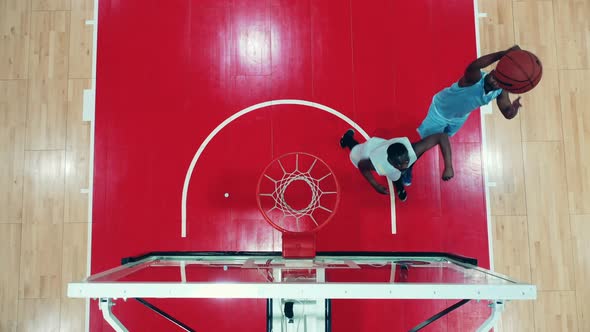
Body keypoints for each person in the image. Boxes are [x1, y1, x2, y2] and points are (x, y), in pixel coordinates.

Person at [417, 45, 523, 140]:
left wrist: (514, 109)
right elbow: (474, 65)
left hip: (459, 117)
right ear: (492, 72)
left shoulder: (500, 92)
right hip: (440, 111)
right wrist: (503, 54)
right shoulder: (475, 78)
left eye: (500, 82)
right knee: (425, 140)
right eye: (495, 77)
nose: (496, 82)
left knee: (445, 137)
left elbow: (508, 113)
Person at [339, 129, 454, 201]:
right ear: (391, 161)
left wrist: (448, 166)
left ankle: (400, 186)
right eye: (400, 164)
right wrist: (375, 185)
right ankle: (347, 139)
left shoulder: (411, 151)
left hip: (385, 147)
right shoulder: (377, 163)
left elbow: (441, 136)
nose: (404, 166)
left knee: (399, 173)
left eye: (406, 162)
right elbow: (361, 165)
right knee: (355, 149)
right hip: (369, 149)